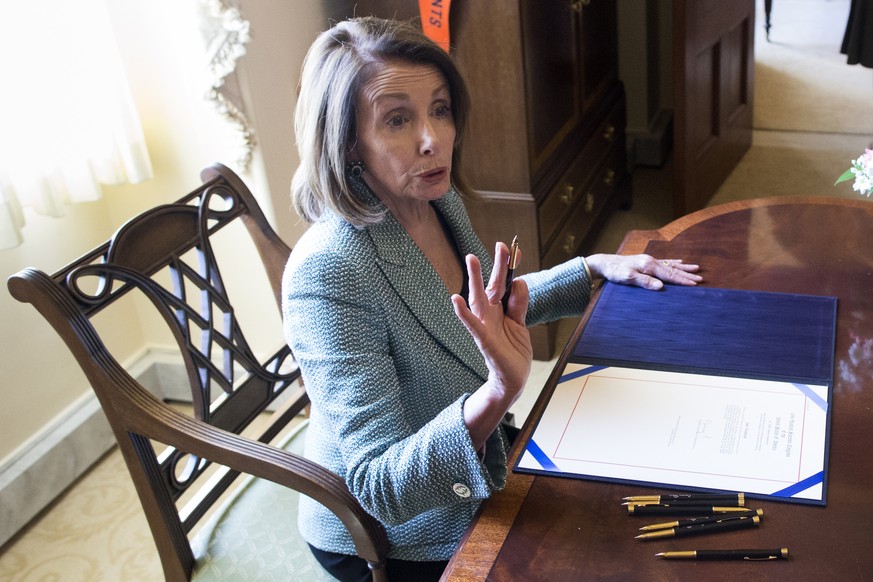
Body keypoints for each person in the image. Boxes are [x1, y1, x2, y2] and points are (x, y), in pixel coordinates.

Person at [282, 16, 701, 582]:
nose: (434, 139)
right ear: (348, 143)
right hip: (397, 535)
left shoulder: (434, 197)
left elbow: (486, 309)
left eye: (440, 108)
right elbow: (381, 487)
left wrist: (593, 269)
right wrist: (499, 392)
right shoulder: (328, 272)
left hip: (474, 444)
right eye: (398, 119)